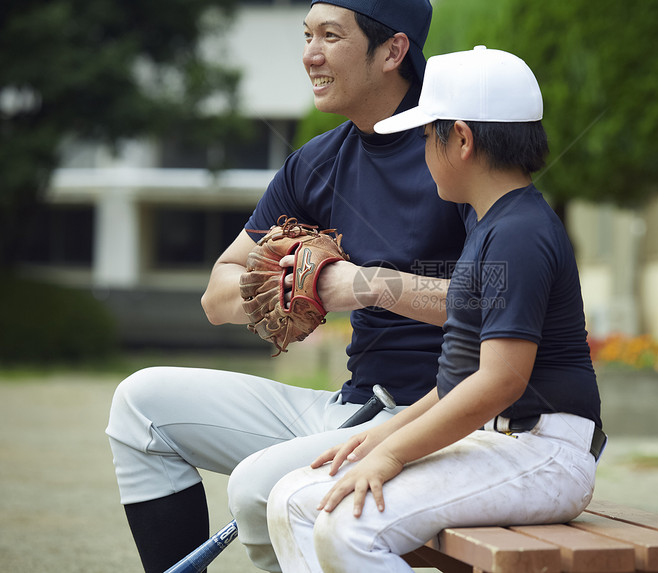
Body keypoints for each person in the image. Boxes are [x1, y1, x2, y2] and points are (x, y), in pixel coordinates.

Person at [105, 1, 474, 572]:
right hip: (351, 407)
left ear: (393, 52)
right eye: (307, 35)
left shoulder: (460, 147)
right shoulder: (317, 162)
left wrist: (366, 285)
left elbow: (498, 298)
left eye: (331, 36)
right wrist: (292, 280)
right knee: (140, 404)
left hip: (436, 418)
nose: (310, 54)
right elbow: (217, 296)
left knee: (259, 489)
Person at [264, 46, 605, 573]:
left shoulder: (519, 233)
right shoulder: (490, 225)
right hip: (507, 443)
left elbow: (499, 382)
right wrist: (379, 437)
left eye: (427, 135)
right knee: (293, 500)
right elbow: (457, 382)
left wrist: (393, 455)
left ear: (462, 140)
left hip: (544, 454)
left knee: (347, 524)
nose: (423, 151)